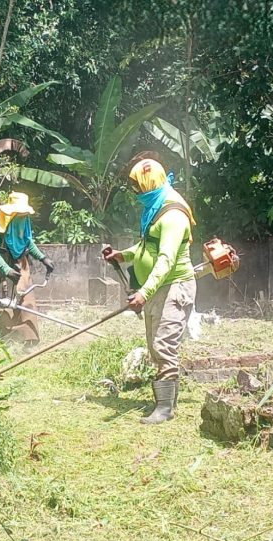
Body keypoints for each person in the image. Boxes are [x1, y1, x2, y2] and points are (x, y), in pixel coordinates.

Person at [103, 159, 196, 425]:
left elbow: (166, 260)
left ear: (150, 184)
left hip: (173, 287)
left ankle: (165, 408)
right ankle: (167, 400)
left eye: (138, 187)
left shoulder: (173, 215)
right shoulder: (156, 207)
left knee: (163, 345)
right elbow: (147, 247)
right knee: (154, 346)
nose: (136, 193)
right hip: (156, 288)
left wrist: (144, 292)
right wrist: (123, 255)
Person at [0, 191, 54, 343]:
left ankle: (29, 341)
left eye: (24, 214)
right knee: (6, 304)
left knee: (27, 301)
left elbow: (27, 242)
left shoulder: (24, 222)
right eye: (20, 214)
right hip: (3, 270)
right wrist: (6, 270)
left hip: (22, 266)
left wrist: (43, 258)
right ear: (11, 213)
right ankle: (7, 344)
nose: (23, 217)